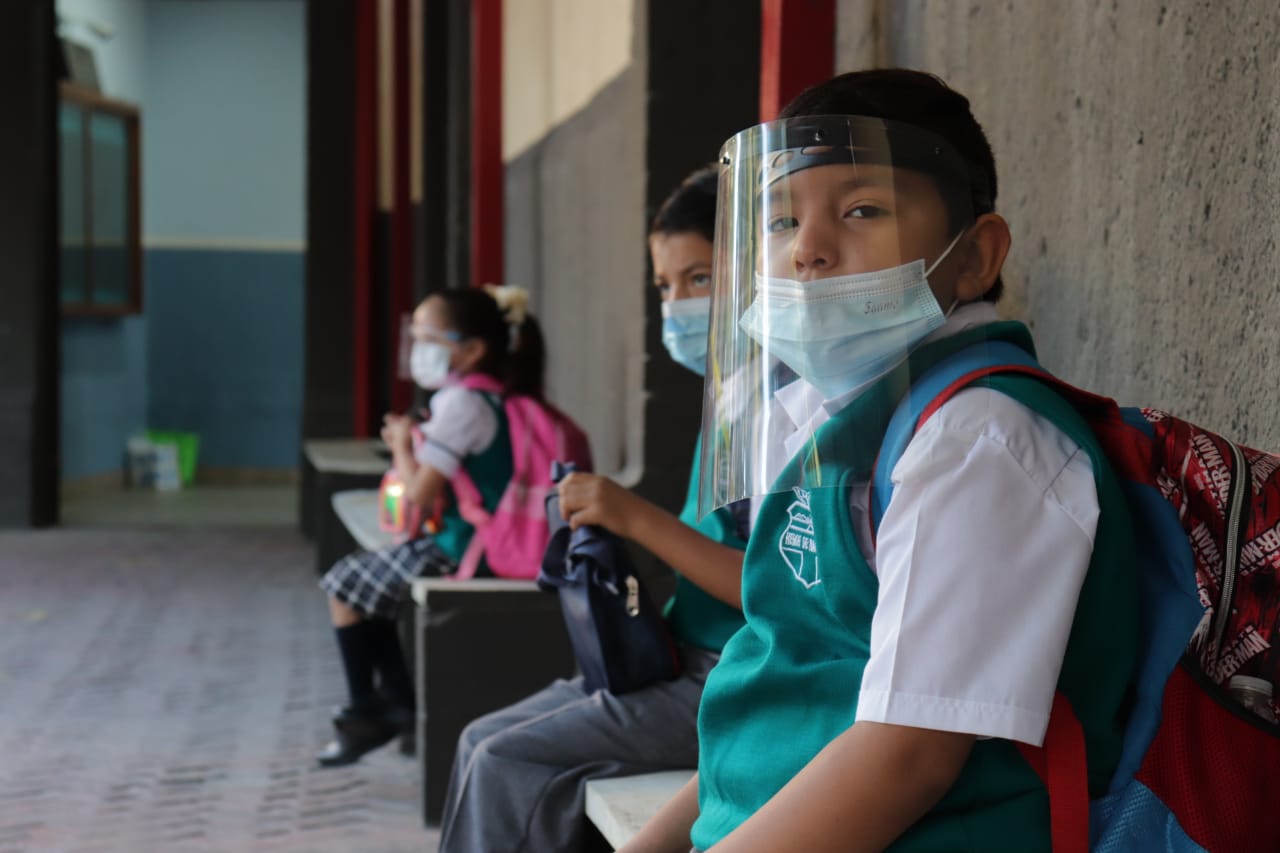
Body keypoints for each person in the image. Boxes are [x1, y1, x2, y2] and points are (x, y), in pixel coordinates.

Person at [624, 69, 1139, 852]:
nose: (808, 250)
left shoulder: (978, 441)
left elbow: (907, 758)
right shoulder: (825, 421)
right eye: (780, 219)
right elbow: (782, 687)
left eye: (862, 210)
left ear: (975, 257)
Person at [438, 166, 751, 853]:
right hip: (673, 657)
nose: (678, 304)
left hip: (732, 677)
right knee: (478, 738)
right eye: (665, 286)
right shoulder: (731, 398)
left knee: (505, 761)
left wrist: (635, 518)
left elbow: (773, 592)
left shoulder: (787, 415)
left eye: (700, 278)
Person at [316, 285, 543, 767]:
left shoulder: (462, 405)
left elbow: (418, 493)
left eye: (429, 337)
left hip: (467, 547)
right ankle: (389, 701)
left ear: (473, 350)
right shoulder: (483, 397)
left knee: (342, 585)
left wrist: (401, 444)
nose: (418, 348)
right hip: (468, 538)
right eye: (415, 336)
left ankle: (369, 708)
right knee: (363, 588)